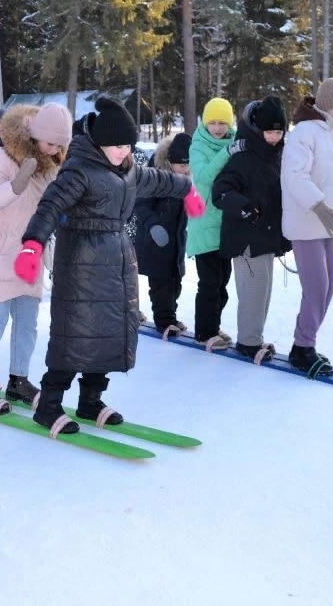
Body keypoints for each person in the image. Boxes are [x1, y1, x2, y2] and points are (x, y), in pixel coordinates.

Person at [13, 97, 205, 435]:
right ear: (100, 143)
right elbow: (50, 205)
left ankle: (90, 400)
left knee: (110, 334)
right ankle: (49, 405)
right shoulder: (79, 171)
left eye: (127, 144)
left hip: (117, 263)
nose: (122, 151)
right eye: (116, 145)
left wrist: (187, 189)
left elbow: (161, 180)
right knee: (73, 337)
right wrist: (32, 245)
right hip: (81, 266)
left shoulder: (129, 170)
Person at [0, 102, 73, 414]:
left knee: (27, 322)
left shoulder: (51, 166)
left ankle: (18, 379)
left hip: (28, 253)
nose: (54, 150)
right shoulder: (5, 157)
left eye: (60, 145)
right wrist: (14, 186)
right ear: (36, 135)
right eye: (50, 142)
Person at [280, 78, 333, 376]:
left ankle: (306, 343)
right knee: (316, 287)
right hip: (307, 222)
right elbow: (294, 176)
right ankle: (302, 348)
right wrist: (320, 207)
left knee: (328, 288)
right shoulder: (305, 132)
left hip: (329, 223)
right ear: (325, 104)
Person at [211, 96, 292, 363]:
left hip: (266, 237)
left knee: (264, 290)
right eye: (269, 131)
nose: (273, 137)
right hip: (245, 237)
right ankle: (248, 342)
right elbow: (220, 191)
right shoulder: (243, 157)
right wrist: (243, 207)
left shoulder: (278, 155)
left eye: (278, 132)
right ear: (258, 129)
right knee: (252, 291)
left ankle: (253, 337)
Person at [186, 97, 237, 348]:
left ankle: (213, 325)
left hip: (226, 226)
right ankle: (204, 332)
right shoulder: (197, 146)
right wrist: (227, 153)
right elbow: (204, 176)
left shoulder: (236, 142)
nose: (217, 128)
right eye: (213, 123)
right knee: (209, 283)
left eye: (222, 123)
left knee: (223, 282)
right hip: (204, 225)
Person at [133, 132, 192, 336]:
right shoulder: (156, 177)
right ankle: (164, 321)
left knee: (175, 282)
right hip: (154, 241)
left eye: (187, 165)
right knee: (161, 283)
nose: (184, 169)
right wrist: (153, 225)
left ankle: (171, 317)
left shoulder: (185, 181)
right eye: (180, 165)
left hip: (175, 241)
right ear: (169, 161)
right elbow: (140, 204)